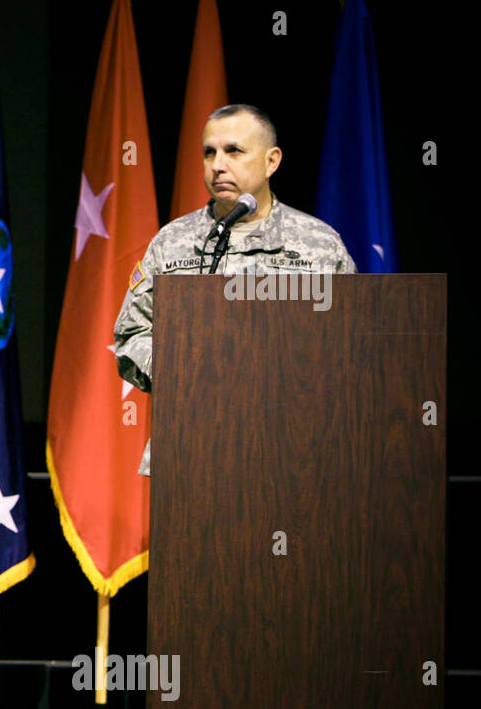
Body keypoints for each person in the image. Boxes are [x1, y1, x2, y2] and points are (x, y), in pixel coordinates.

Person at [113, 104, 356, 477]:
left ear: (271, 161)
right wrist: (183, 371)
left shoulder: (318, 245)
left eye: (234, 151)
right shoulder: (173, 242)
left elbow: (355, 340)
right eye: (209, 152)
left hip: (295, 451)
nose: (217, 164)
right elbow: (132, 333)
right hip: (191, 451)